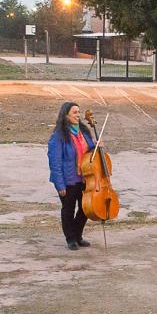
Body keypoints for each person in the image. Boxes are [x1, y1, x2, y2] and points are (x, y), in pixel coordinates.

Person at [47, 102, 96, 251]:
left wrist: (97, 146)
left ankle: (77, 235)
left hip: (85, 177)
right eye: (74, 112)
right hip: (68, 180)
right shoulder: (58, 136)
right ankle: (71, 238)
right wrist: (59, 184)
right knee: (68, 210)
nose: (78, 115)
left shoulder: (83, 131)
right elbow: (54, 162)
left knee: (85, 208)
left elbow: (90, 150)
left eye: (78, 112)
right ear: (66, 115)